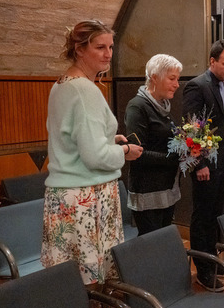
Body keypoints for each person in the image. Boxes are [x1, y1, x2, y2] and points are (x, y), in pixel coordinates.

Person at [42, 19, 143, 286]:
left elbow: (69, 139)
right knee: (92, 283)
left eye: (110, 47)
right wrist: (124, 151)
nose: (108, 54)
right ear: (79, 49)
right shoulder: (85, 89)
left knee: (68, 281)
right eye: (100, 47)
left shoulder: (62, 84)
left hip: (64, 197)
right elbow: (95, 157)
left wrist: (109, 139)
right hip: (87, 197)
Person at [182, 39, 224, 292]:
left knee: (216, 214)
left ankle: (213, 261)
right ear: (212, 61)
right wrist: (200, 163)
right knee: (203, 216)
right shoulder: (197, 86)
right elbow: (191, 128)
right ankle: (203, 270)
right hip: (206, 164)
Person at [124, 54, 182, 235]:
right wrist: (175, 158)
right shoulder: (137, 107)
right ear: (155, 78)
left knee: (164, 242)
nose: (177, 84)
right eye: (172, 78)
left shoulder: (163, 106)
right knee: (152, 245)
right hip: (148, 191)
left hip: (166, 188)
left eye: (177, 79)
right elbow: (138, 154)